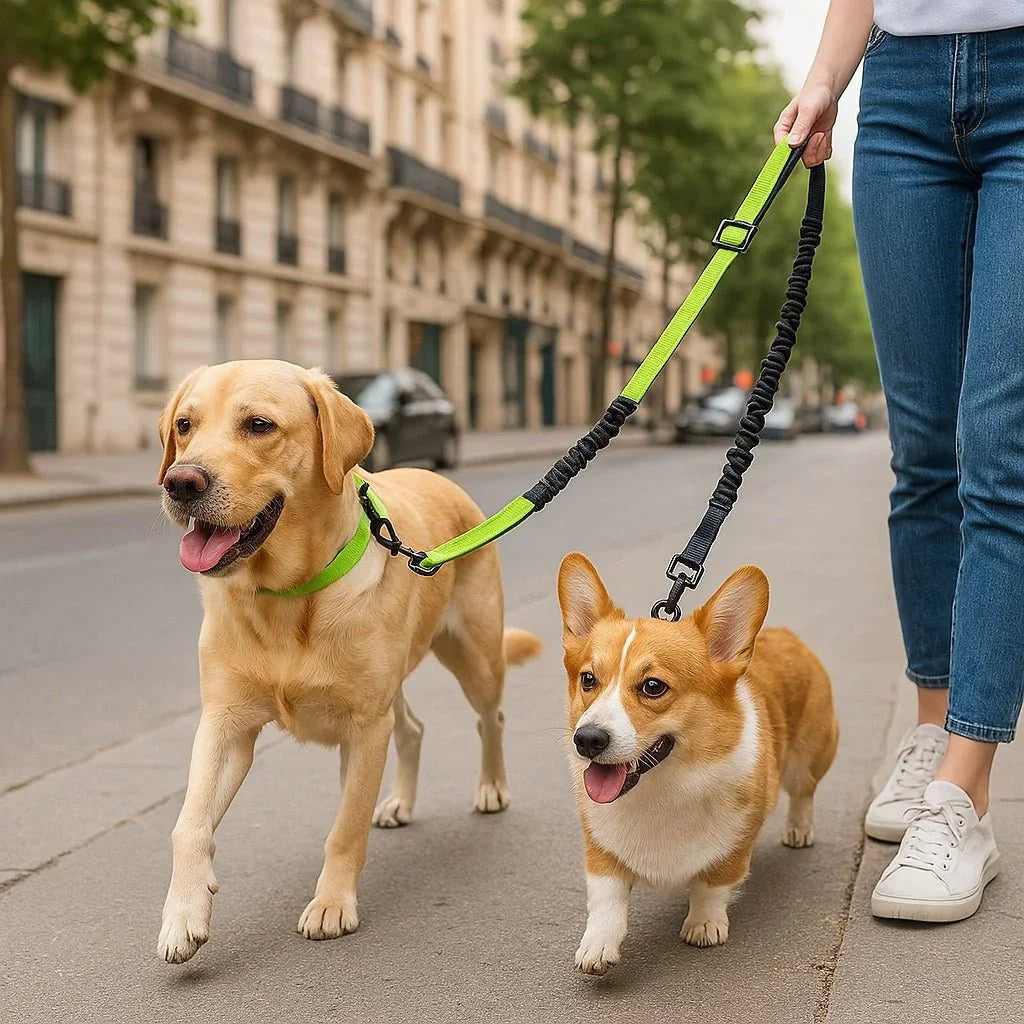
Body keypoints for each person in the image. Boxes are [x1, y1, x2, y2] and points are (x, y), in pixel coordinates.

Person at [776, 0, 1024, 922]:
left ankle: (965, 794)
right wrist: (824, 81)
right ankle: (931, 725)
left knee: (998, 450)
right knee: (922, 450)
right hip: (902, 94)